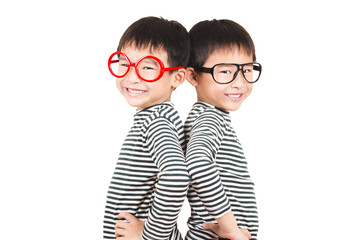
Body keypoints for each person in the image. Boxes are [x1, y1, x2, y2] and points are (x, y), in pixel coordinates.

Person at [103, 16, 190, 240]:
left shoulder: (157, 122)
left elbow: (176, 177)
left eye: (148, 67)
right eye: (124, 64)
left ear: (177, 77)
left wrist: (148, 234)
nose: (131, 77)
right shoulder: (154, 117)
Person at [184, 19, 261, 240]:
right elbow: (197, 163)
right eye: (226, 72)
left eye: (247, 70)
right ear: (193, 76)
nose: (240, 82)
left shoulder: (209, 116)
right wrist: (230, 228)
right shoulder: (209, 118)